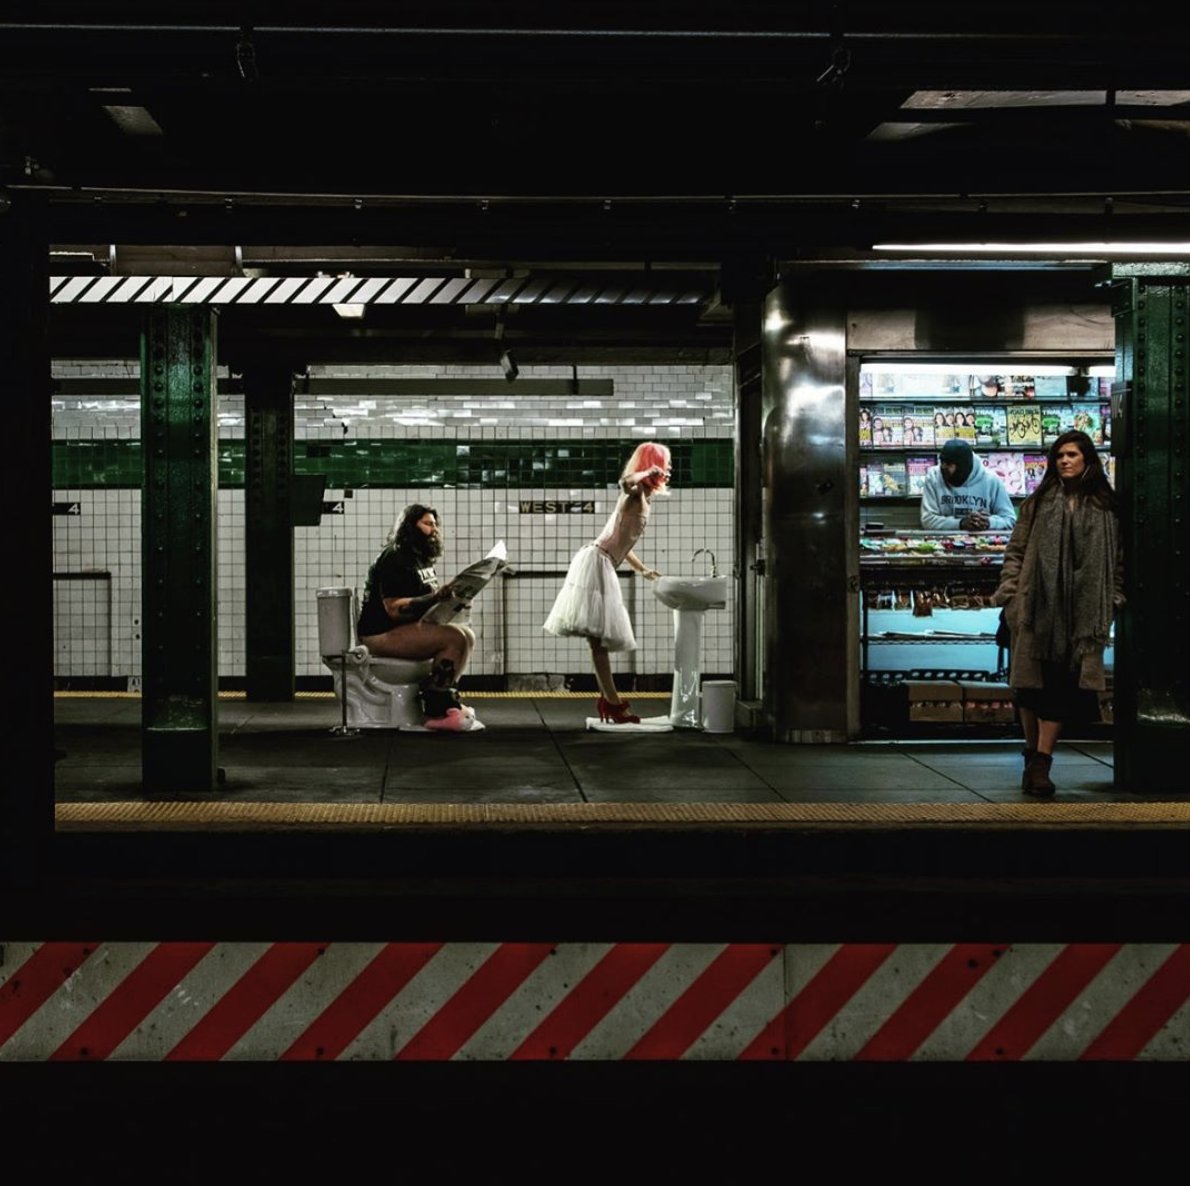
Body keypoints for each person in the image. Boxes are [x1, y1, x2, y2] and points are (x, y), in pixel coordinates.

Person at [991, 430, 1123, 796]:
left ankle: (1041, 761)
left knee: (1060, 690)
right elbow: (1016, 551)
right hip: (1036, 610)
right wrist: (1013, 597)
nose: (1064, 461)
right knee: (1030, 689)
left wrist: (1111, 599)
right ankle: (1034, 758)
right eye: (1059, 456)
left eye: (1072, 455)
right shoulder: (1037, 503)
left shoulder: (1105, 509)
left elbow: (1118, 563)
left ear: (1088, 460)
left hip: (1081, 615)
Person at [543, 441, 671, 724]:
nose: (669, 469)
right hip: (597, 562)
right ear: (653, 465)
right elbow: (625, 483)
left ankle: (609, 700)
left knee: (598, 640)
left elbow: (625, 544)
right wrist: (645, 471)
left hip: (602, 561)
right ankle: (612, 702)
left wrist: (643, 570)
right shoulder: (635, 494)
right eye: (665, 463)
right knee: (598, 640)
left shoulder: (645, 499)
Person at [356, 503, 480, 732]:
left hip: (402, 628)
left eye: (435, 525)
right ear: (410, 526)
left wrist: (454, 601)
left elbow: (425, 600)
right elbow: (394, 609)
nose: (434, 530)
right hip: (379, 633)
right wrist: (435, 598)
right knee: (454, 639)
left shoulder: (419, 558)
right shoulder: (395, 558)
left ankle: (445, 700)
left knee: (467, 636)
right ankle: (437, 710)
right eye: (427, 524)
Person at [920, 438, 1017, 532]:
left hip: (982, 543)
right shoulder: (933, 477)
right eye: (942, 462)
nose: (943, 467)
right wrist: (961, 523)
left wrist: (988, 522)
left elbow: (1010, 520)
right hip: (943, 544)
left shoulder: (991, 480)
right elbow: (928, 520)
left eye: (949, 464)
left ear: (963, 466)